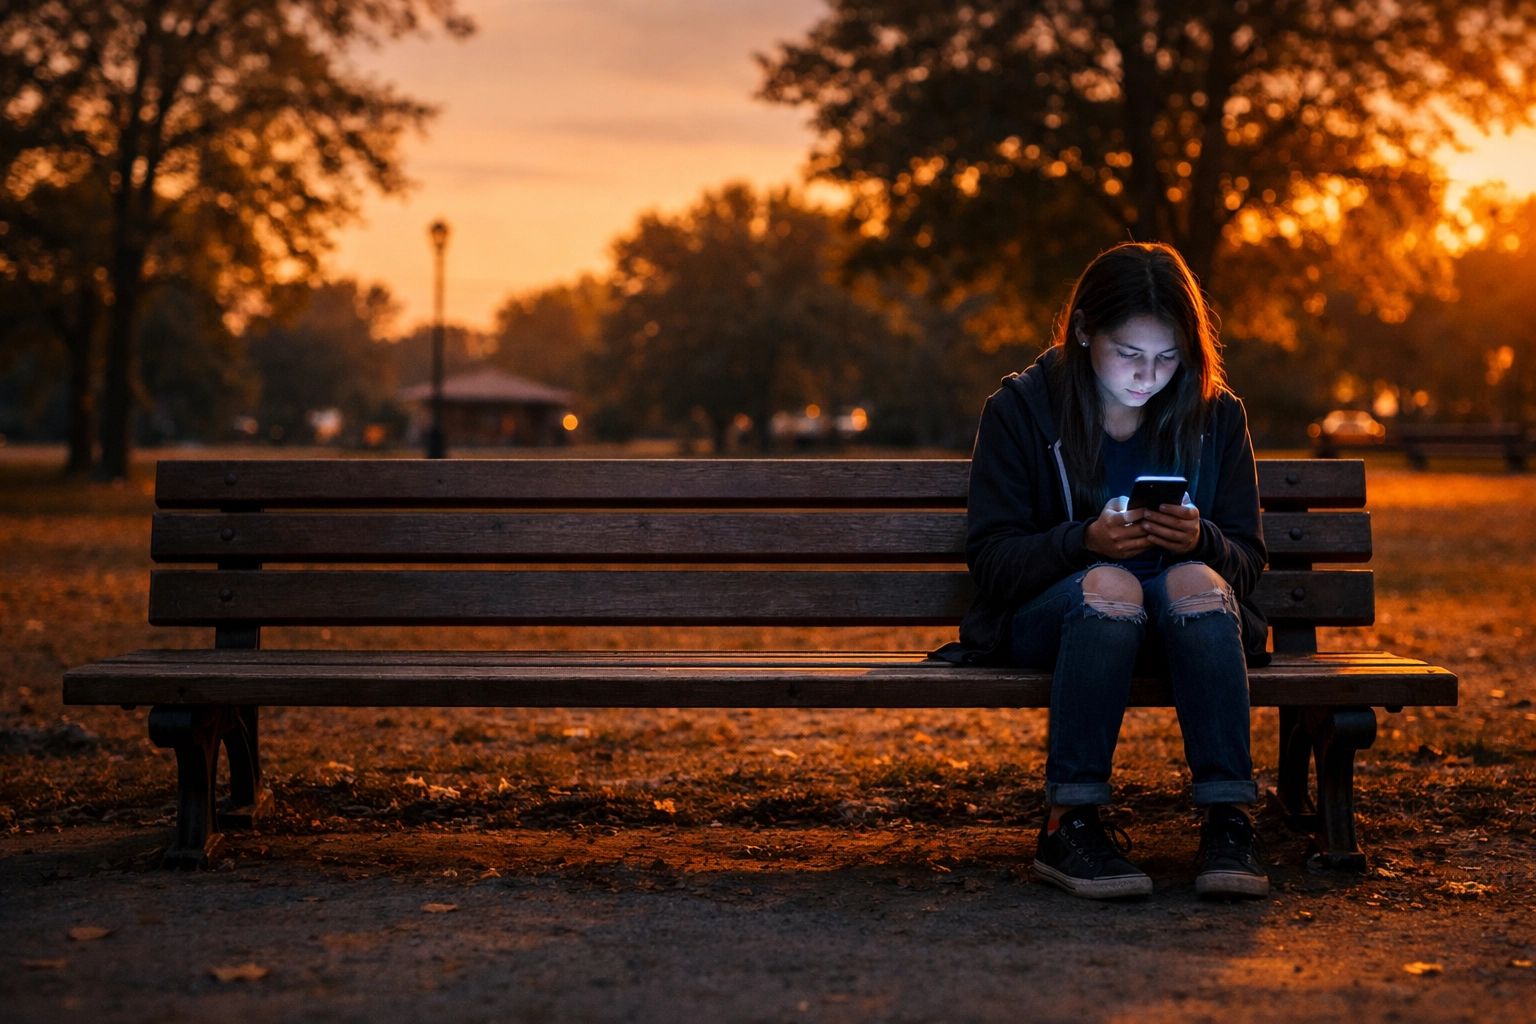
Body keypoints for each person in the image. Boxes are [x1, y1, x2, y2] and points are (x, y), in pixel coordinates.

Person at [949, 242, 1270, 900]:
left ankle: (1229, 819)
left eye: (1168, 356)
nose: (1148, 375)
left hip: (1189, 625)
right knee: (1113, 585)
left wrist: (1201, 539)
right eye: (1129, 353)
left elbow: (1247, 565)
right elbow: (993, 561)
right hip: (1065, 621)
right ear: (1085, 331)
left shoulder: (1217, 416)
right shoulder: (1021, 411)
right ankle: (1068, 824)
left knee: (1196, 582)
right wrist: (1083, 542)